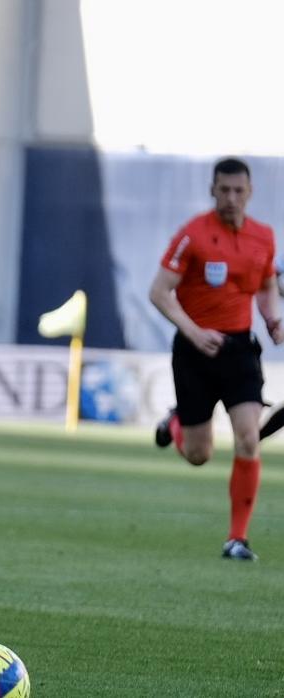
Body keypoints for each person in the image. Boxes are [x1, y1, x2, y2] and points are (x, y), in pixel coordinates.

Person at [150, 157, 282, 562]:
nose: (231, 198)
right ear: (212, 190)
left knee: (247, 437)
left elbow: (263, 288)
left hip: (240, 351)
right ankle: (175, 421)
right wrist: (193, 331)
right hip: (193, 351)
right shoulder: (193, 235)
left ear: (250, 192)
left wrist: (273, 319)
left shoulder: (264, 237)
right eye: (223, 190)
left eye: (238, 190)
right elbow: (159, 292)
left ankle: (236, 539)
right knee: (198, 454)